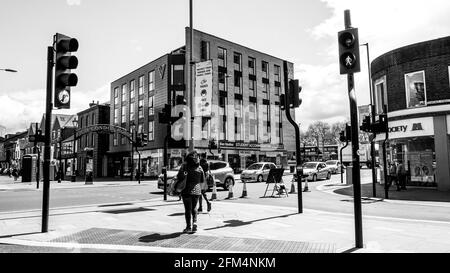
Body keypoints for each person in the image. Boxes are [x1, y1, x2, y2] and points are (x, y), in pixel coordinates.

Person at [176, 150, 204, 234]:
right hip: (197, 190)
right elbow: (202, 180)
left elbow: (179, 176)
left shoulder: (184, 167)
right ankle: (195, 222)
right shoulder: (199, 168)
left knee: (187, 209)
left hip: (186, 190)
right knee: (194, 207)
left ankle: (188, 227)